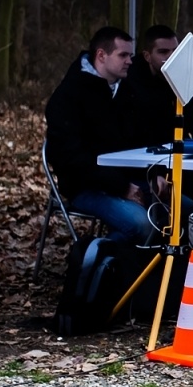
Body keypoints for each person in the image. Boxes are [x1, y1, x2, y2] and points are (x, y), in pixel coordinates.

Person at [44, 27, 160, 244]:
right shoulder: (68, 97)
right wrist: (122, 187)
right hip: (84, 187)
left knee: (184, 210)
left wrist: (155, 174)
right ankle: (96, 258)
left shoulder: (127, 91)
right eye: (123, 55)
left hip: (128, 180)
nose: (130, 61)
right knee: (141, 225)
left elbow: (143, 139)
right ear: (101, 55)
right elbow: (70, 159)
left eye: (130, 55)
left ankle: (138, 262)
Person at [127, 24, 193, 147]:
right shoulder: (129, 77)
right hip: (139, 151)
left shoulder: (188, 76)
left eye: (176, 51)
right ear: (147, 56)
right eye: (163, 52)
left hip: (181, 149)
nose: (171, 56)